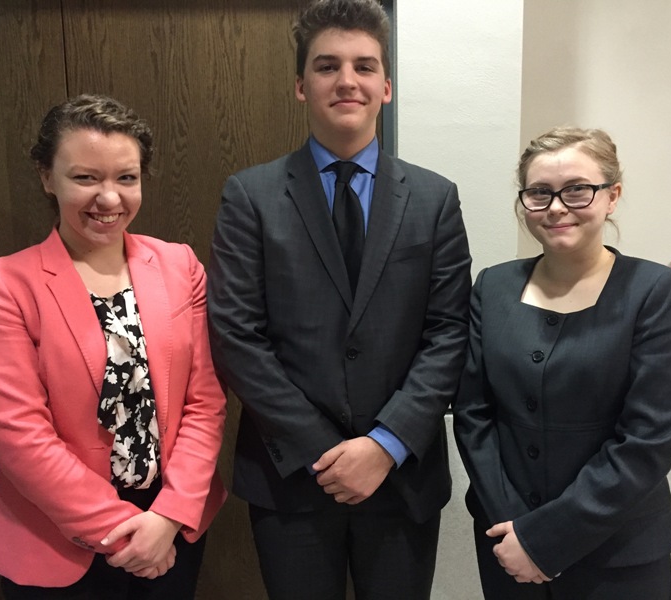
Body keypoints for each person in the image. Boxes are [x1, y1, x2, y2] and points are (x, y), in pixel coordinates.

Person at [206, 0, 472, 597]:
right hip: (292, 476)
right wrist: (325, 450)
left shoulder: (434, 198)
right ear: (301, 86)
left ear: (386, 87)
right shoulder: (251, 196)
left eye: (364, 66)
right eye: (327, 66)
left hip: (402, 474)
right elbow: (235, 334)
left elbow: (450, 331)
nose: (347, 80)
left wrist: (384, 445)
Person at [0, 94, 227, 599]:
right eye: (85, 177)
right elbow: (18, 435)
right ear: (47, 177)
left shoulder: (181, 266)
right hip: (54, 538)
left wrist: (170, 516)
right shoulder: (3, 286)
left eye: (126, 177)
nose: (109, 198)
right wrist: (123, 532)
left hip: (172, 523)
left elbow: (206, 402)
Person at [452, 126, 671, 599]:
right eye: (539, 192)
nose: (557, 207)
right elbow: (473, 414)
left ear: (612, 197)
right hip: (506, 544)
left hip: (618, 554)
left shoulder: (655, 293)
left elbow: (646, 440)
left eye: (577, 190)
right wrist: (514, 529)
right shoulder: (493, 286)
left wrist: (545, 540)